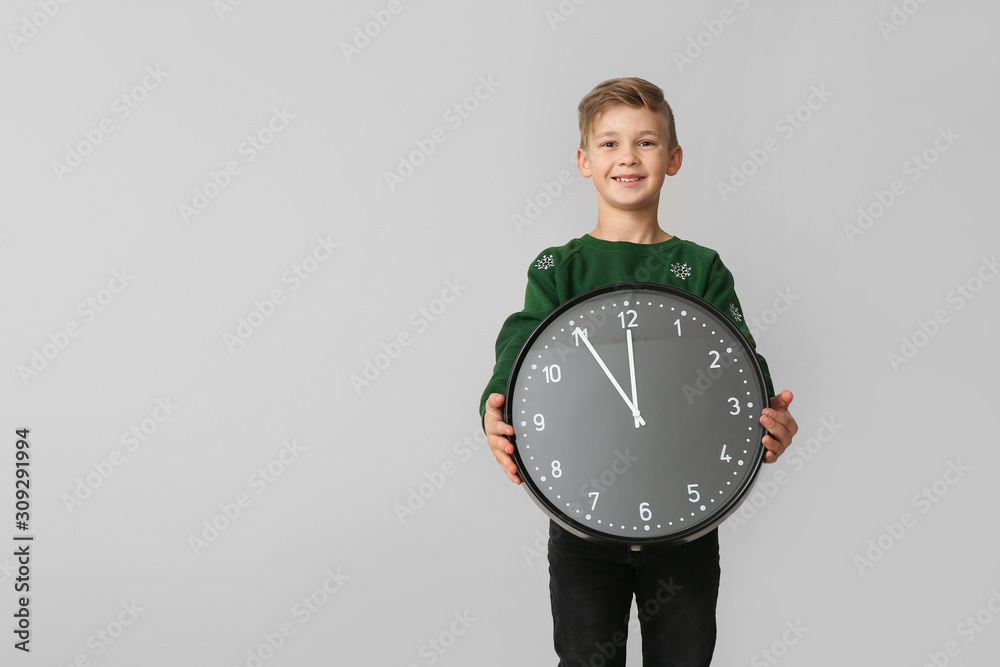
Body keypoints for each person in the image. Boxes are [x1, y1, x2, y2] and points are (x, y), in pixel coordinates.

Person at [478, 77, 799, 666]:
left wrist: (772, 421)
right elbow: (518, 350)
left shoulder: (699, 268)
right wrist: (493, 409)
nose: (627, 156)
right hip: (581, 522)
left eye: (647, 142)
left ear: (673, 159)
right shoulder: (558, 269)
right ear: (583, 161)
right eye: (609, 144)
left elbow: (741, 364)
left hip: (687, 522)